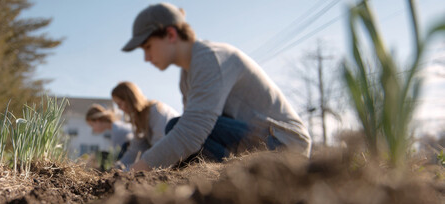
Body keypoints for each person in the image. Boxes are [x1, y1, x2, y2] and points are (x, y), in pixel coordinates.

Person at [121, 3, 312, 171]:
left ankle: (233, 180)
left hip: (285, 144)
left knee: (177, 127)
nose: (146, 58)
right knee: (179, 135)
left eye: (147, 47)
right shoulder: (187, 76)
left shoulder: (209, 58)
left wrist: (136, 171)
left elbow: (192, 132)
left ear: (171, 34)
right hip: (258, 139)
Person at [111, 81, 180, 170]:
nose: (119, 108)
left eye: (120, 104)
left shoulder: (155, 110)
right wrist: (117, 168)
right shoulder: (139, 119)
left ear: (129, 99)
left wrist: (133, 169)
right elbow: (135, 150)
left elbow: (160, 144)